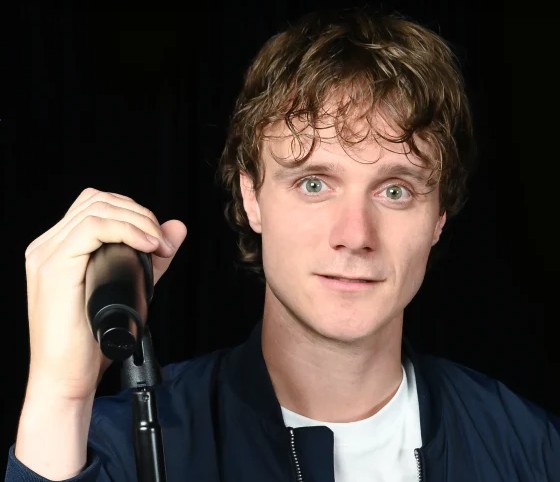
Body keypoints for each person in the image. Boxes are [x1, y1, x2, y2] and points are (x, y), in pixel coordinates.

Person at [5, 5, 560, 482]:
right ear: (253, 197)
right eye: (314, 184)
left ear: (439, 216)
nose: (355, 235)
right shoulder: (119, 442)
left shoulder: (529, 447)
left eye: (395, 190)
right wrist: (61, 395)